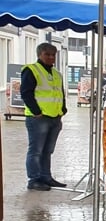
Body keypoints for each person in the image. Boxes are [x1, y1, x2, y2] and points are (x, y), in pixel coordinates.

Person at [22, 42, 67, 191]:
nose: (50, 57)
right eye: (47, 54)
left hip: (54, 117)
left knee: (48, 150)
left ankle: (46, 177)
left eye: (53, 55)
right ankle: (34, 179)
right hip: (38, 118)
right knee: (36, 150)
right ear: (39, 54)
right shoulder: (32, 70)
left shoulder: (56, 74)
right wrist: (36, 112)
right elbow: (26, 93)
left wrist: (63, 109)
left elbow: (60, 93)